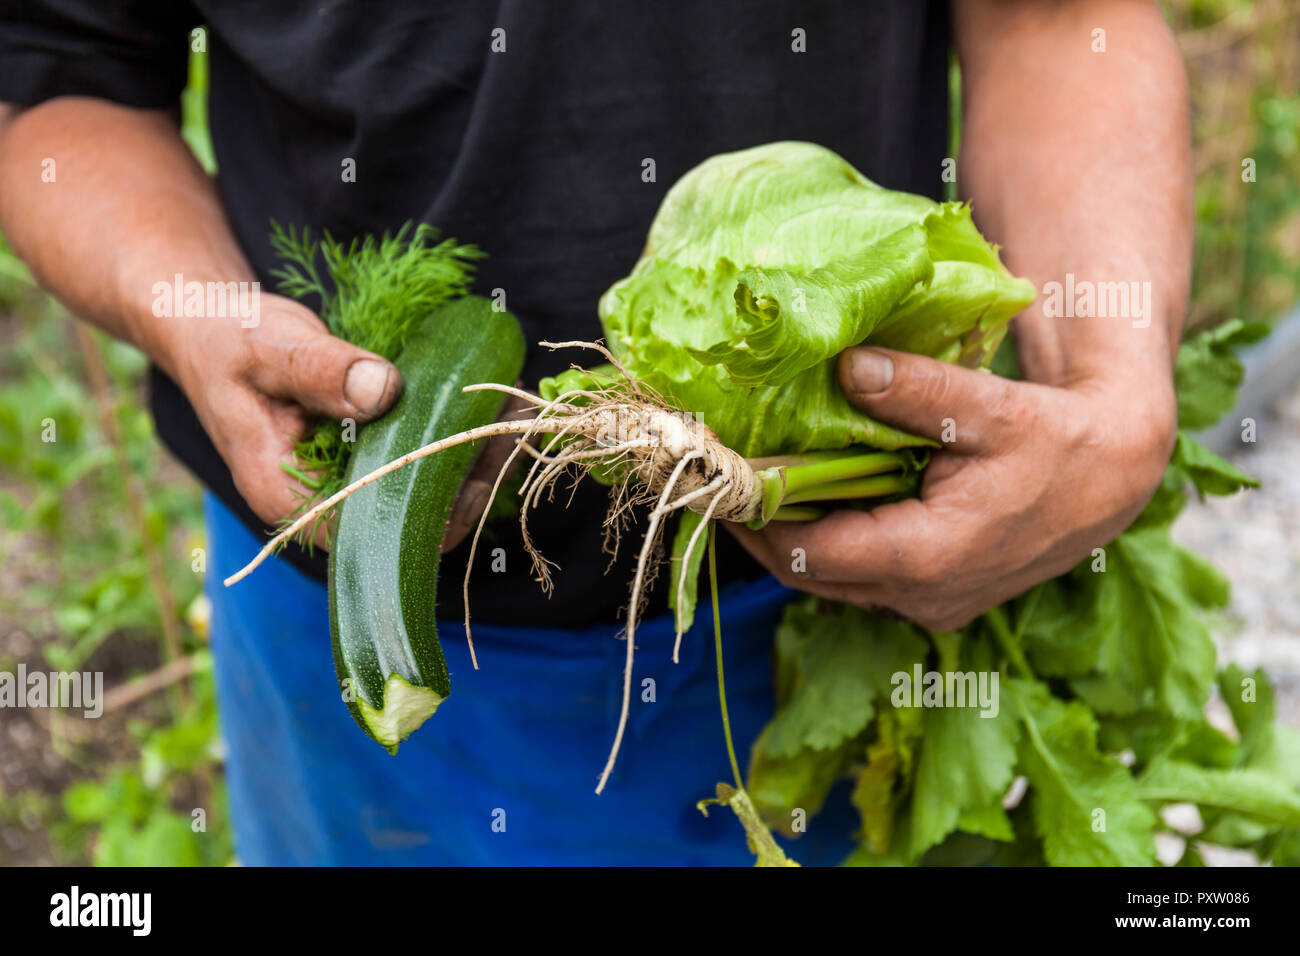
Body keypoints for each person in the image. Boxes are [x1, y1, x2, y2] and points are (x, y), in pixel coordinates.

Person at [0, 1, 1191, 865]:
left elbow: (1059, 17)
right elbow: (56, 82)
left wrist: (1112, 386)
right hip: (348, 590)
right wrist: (196, 310)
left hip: (857, 595)